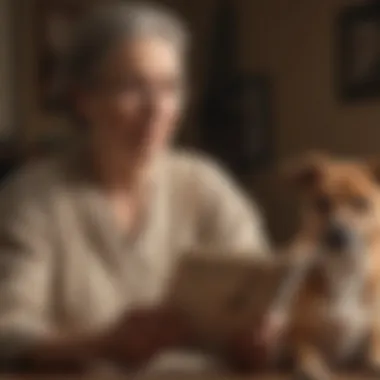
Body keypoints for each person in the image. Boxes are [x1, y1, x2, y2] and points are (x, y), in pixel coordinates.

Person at [0, 2, 275, 373]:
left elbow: (261, 293)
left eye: (170, 87)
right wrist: (103, 344)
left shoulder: (207, 185)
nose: (157, 108)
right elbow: (10, 330)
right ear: (84, 100)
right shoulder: (32, 199)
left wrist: (262, 336)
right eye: (133, 87)